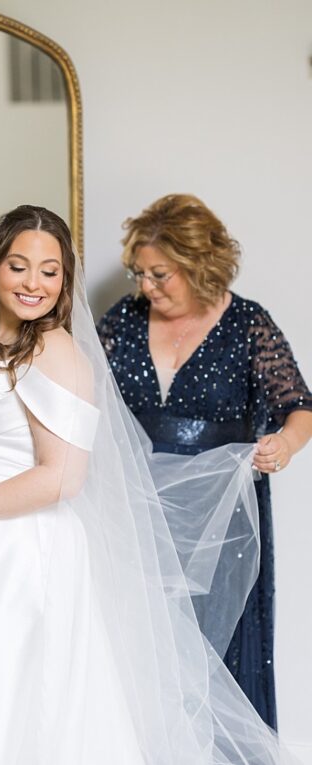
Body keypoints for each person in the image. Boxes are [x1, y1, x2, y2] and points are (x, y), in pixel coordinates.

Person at [0, 205, 286, 763]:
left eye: (50, 270)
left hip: (7, 549)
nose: (33, 283)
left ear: (65, 281)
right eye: (19, 266)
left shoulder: (55, 351)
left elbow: (62, 477)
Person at [98, 194, 312, 728]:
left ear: (200, 265)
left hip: (223, 522)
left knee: (220, 657)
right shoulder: (122, 320)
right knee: (137, 650)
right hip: (138, 513)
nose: (146, 287)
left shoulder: (247, 324)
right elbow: (74, 393)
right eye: (139, 273)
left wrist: (283, 445)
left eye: (161, 274)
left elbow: (299, 408)